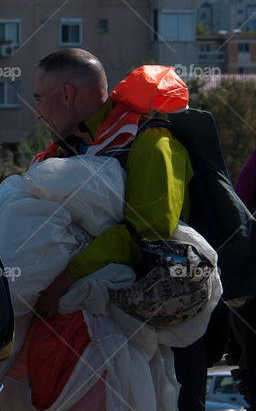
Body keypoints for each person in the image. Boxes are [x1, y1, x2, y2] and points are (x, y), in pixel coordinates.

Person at [30, 48, 204, 410]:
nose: (37, 112)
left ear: (66, 95)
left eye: (39, 99)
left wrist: (62, 280)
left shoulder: (153, 142)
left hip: (163, 333)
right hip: (93, 338)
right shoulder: (70, 152)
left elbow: (147, 234)